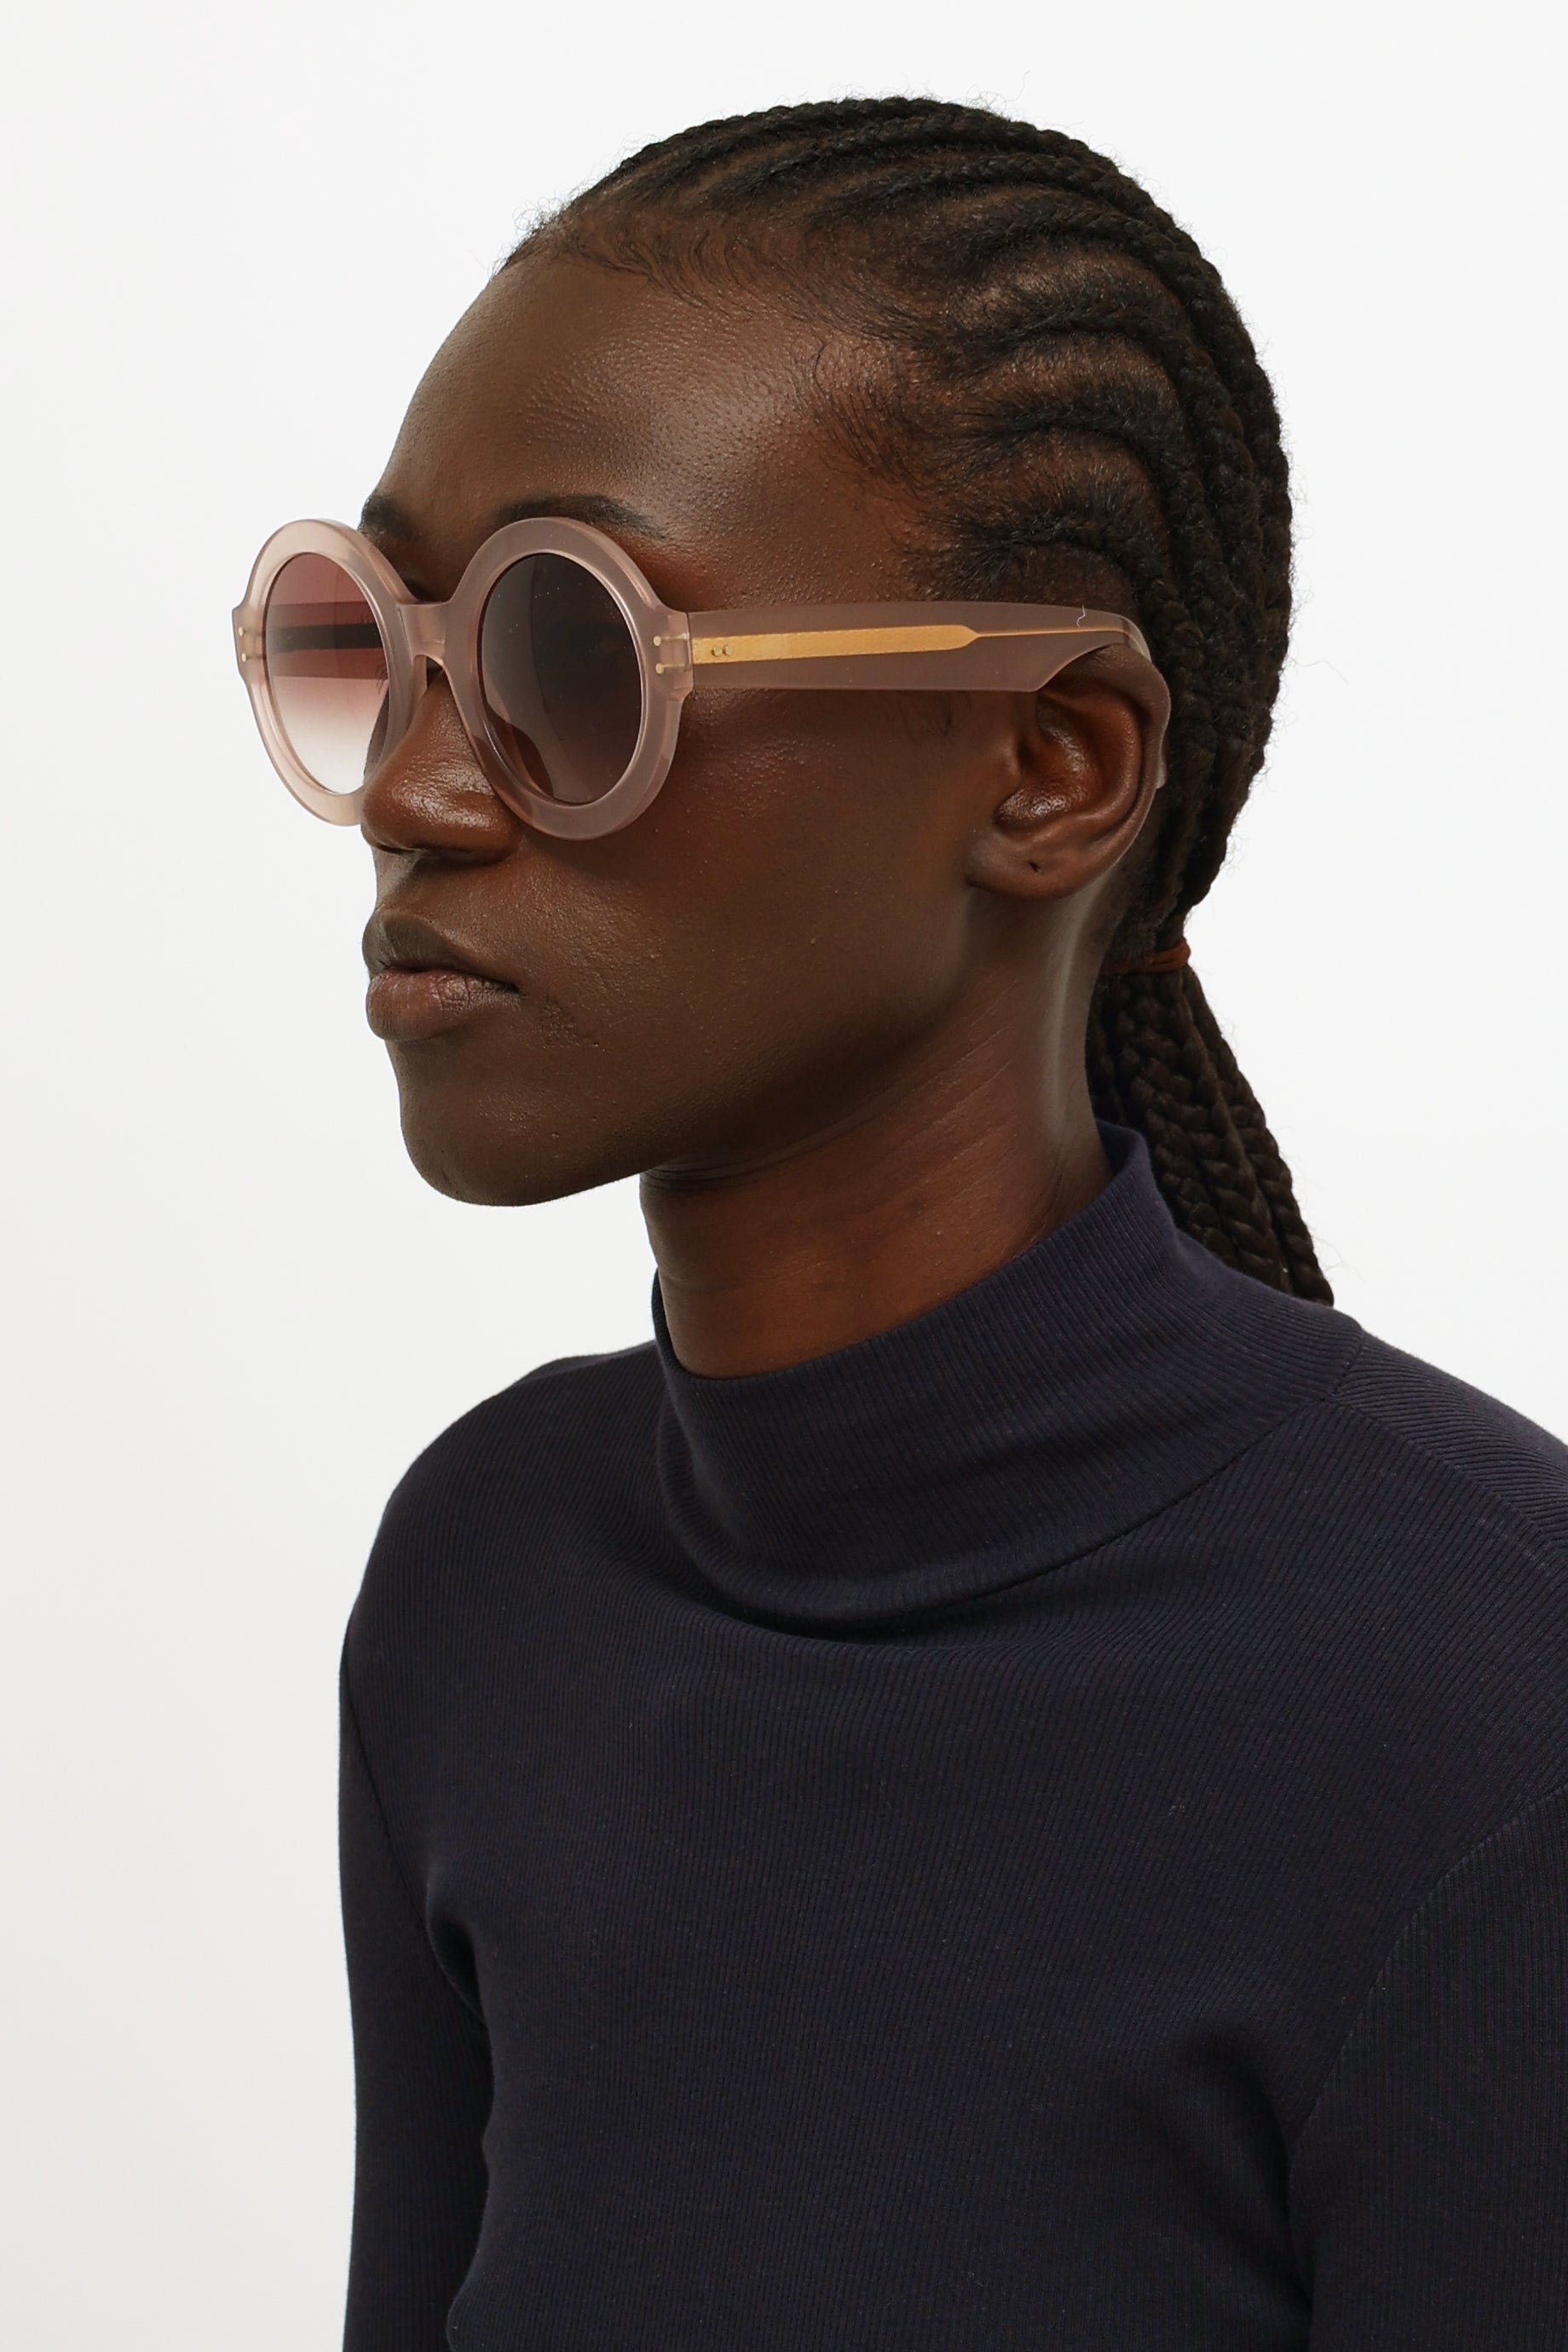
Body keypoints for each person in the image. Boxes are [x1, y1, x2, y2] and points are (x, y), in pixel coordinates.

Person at [234, 97, 1568, 2350]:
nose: (416, 793)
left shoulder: (1489, 1709)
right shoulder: (487, 1581)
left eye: (573, 658)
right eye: (371, 640)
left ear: (1051, 763)